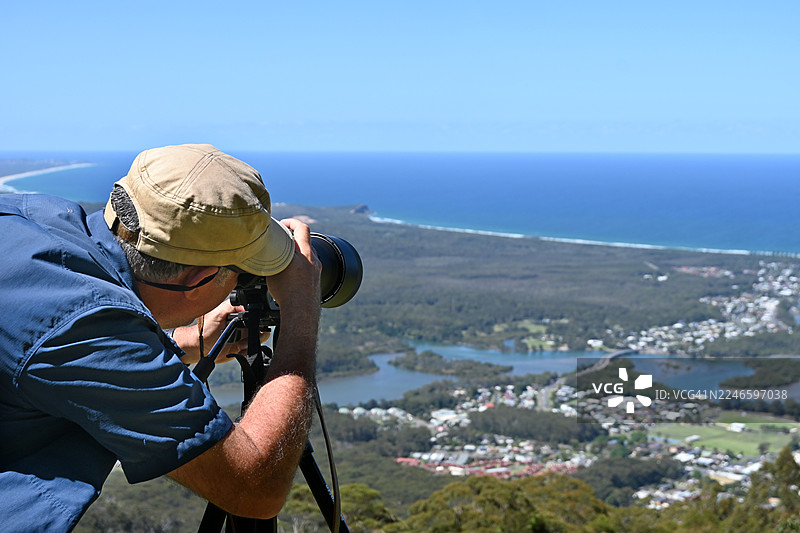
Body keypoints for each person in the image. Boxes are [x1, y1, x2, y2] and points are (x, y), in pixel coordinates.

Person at [0, 144, 322, 532]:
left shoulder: (32, 216)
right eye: (244, 271)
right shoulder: (85, 327)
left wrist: (181, 344)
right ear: (197, 279)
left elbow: (57, 357)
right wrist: (301, 319)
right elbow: (254, 489)